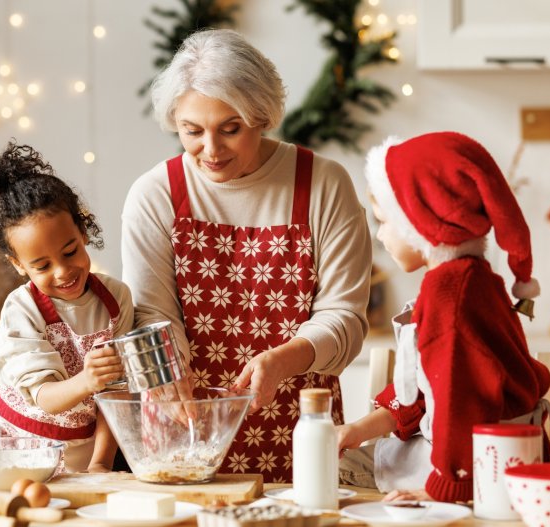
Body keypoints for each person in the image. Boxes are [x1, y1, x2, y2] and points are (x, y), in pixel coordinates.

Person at [121, 29, 372, 483]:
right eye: (192, 131)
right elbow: (150, 312)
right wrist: (166, 374)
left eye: (230, 129)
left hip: (300, 431)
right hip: (184, 430)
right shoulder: (154, 194)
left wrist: (283, 360)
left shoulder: (323, 185)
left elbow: (346, 318)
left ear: (262, 117)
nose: (211, 151)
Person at [336, 131, 550, 502]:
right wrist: (361, 427)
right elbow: (429, 387)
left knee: (331, 471)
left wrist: (438, 492)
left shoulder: (450, 296)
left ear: (419, 222)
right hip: (477, 458)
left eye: (384, 221)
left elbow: (459, 404)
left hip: (482, 472)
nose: (381, 235)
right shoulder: (470, 279)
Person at [0, 141, 131, 473]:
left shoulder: (116, 300)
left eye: (69, 251)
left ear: (83, 230)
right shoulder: (22, 309)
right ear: (18, 265)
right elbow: (46, 398)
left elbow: (118, 396)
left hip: (80, 453)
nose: (62, 271)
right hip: (10, 449)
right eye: (42, 266)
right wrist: (88, 380)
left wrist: (101, 462)